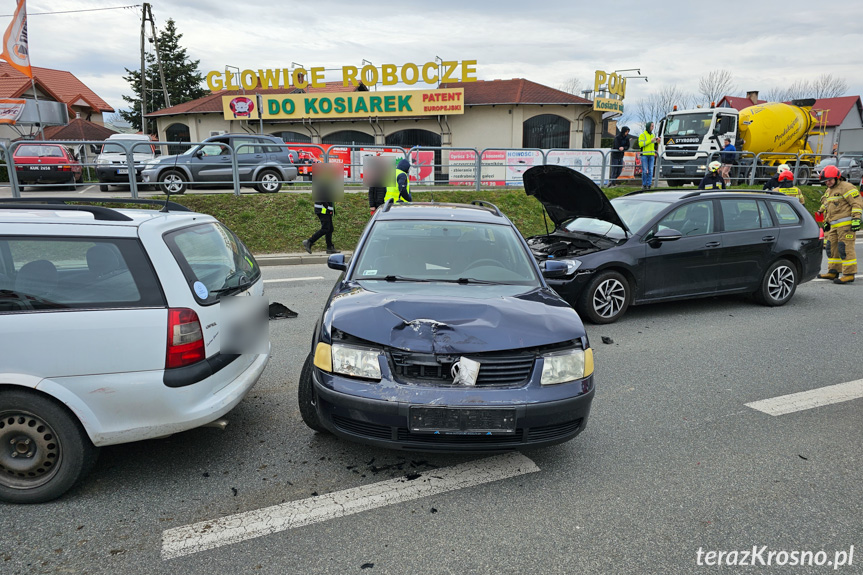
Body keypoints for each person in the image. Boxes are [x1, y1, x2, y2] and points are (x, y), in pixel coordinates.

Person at [817, 164, 862, 284]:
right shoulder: (829, 190)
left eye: (830, 180)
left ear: (837, 177)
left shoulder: (847, 187)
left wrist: (856, 219)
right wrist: (825, 221)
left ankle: (848, 274)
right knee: (832, 249)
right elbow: (827, 206)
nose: (828, 183)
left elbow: (857, 204)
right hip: (833, 226)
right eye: (826, 181)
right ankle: (833, 271)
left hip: (846, 226)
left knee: (845, 248)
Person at [638, 122, 659, 189]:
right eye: (652, 126)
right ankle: (644, 184)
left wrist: (658, 142)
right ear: (648, 126)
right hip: (644, 155)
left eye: (653, 126)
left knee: (651, 170)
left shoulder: (653, 135)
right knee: (644, 171)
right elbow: (641, 144)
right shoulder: (642, 135)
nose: (653, 127)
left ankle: (649, 185)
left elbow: (654, 145)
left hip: (651, 155)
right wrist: (650, 140)